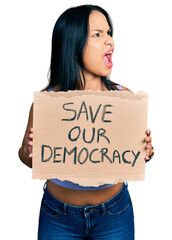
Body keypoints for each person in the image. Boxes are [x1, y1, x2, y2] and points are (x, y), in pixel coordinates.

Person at [18, 4, 154, 240]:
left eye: (109, 33)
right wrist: (29, 151)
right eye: (97, 35)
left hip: (114, 213)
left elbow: (129, 154)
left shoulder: (123, 99)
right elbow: (26, 158)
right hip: (57, 215)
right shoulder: (47, 102)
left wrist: (145, 151)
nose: (110, 41)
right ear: (73, 44)